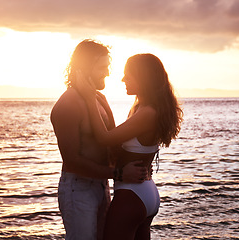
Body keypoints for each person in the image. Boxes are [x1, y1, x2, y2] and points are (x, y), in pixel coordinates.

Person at [76, 53, 183, 240]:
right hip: (142, 193)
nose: (123, 79)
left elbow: (103, 138)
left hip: (132, 196)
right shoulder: (142, 107)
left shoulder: (148, 113)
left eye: (128, 75)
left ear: (142, 77)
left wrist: (89, 98)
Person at [50, 40, 147, 240]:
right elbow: (72, 161)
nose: (108, 73)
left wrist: (141, 161)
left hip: (102, 185)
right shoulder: (68, 104)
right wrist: (120, 174)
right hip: (78, 189)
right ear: (85, 68)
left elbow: (112, 144)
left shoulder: (99, 99)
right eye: (103, 68)